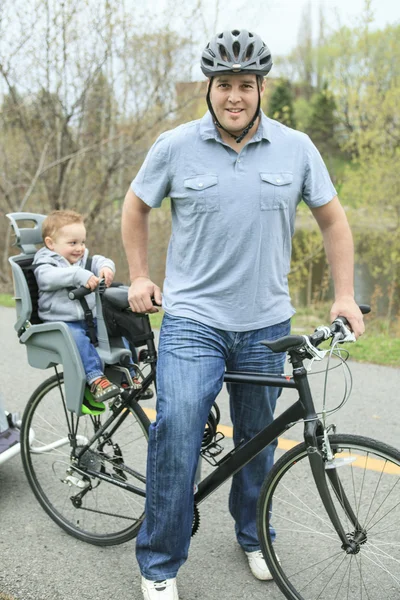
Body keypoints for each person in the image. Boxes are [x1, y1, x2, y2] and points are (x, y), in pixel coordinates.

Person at [121, 29, 365, 600]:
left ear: (262, 88)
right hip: (192, 322)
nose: (236, 96)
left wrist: (344, 294)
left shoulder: (296, 147)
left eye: (246, 85)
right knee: (177, 427)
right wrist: (138, 275)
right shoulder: (174, 146)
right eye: (225, 84)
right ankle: (158, 564)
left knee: (257, 438)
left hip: (266, 325)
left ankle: (253, 535)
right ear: (210, 88)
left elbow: (334, 221)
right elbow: (135, 208)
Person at [33, 209, 120, 415]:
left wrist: (107, 269)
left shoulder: (83, 258)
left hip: (88, 318)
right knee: (77, 340)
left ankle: (125, 369)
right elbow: (48, 278)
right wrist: (77, 275)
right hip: (62, 322)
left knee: (114, 327)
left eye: (82, 242)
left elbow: (100, 260)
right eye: (73, 243)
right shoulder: (46, 262)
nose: (80, 248)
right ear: (50, 243)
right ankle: (95, 378)